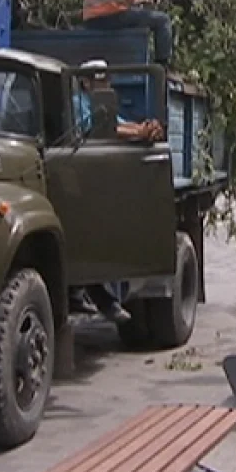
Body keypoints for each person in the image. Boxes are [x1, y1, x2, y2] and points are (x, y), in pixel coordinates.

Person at [66, 58, 162, 325]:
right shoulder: (77, 104)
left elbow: (119, 123)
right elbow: (102, 130)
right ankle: (101, 298)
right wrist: (136, 132)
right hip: (80, 180)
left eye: (106, 80)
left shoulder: (102, 104)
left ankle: (97, 295)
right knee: (95, 236)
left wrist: (143, 130)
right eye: (99, 80)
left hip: (98, 180)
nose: (104, 84)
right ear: (85, 82)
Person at [71, 59, 164, 143]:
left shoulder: (101, 101)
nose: (108, 84)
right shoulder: (78, 102)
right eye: (103, 81)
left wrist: (144, 127)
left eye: (108, 80)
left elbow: (119, 123)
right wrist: (138, 132)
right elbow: (98, 130)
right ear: (86, 82)